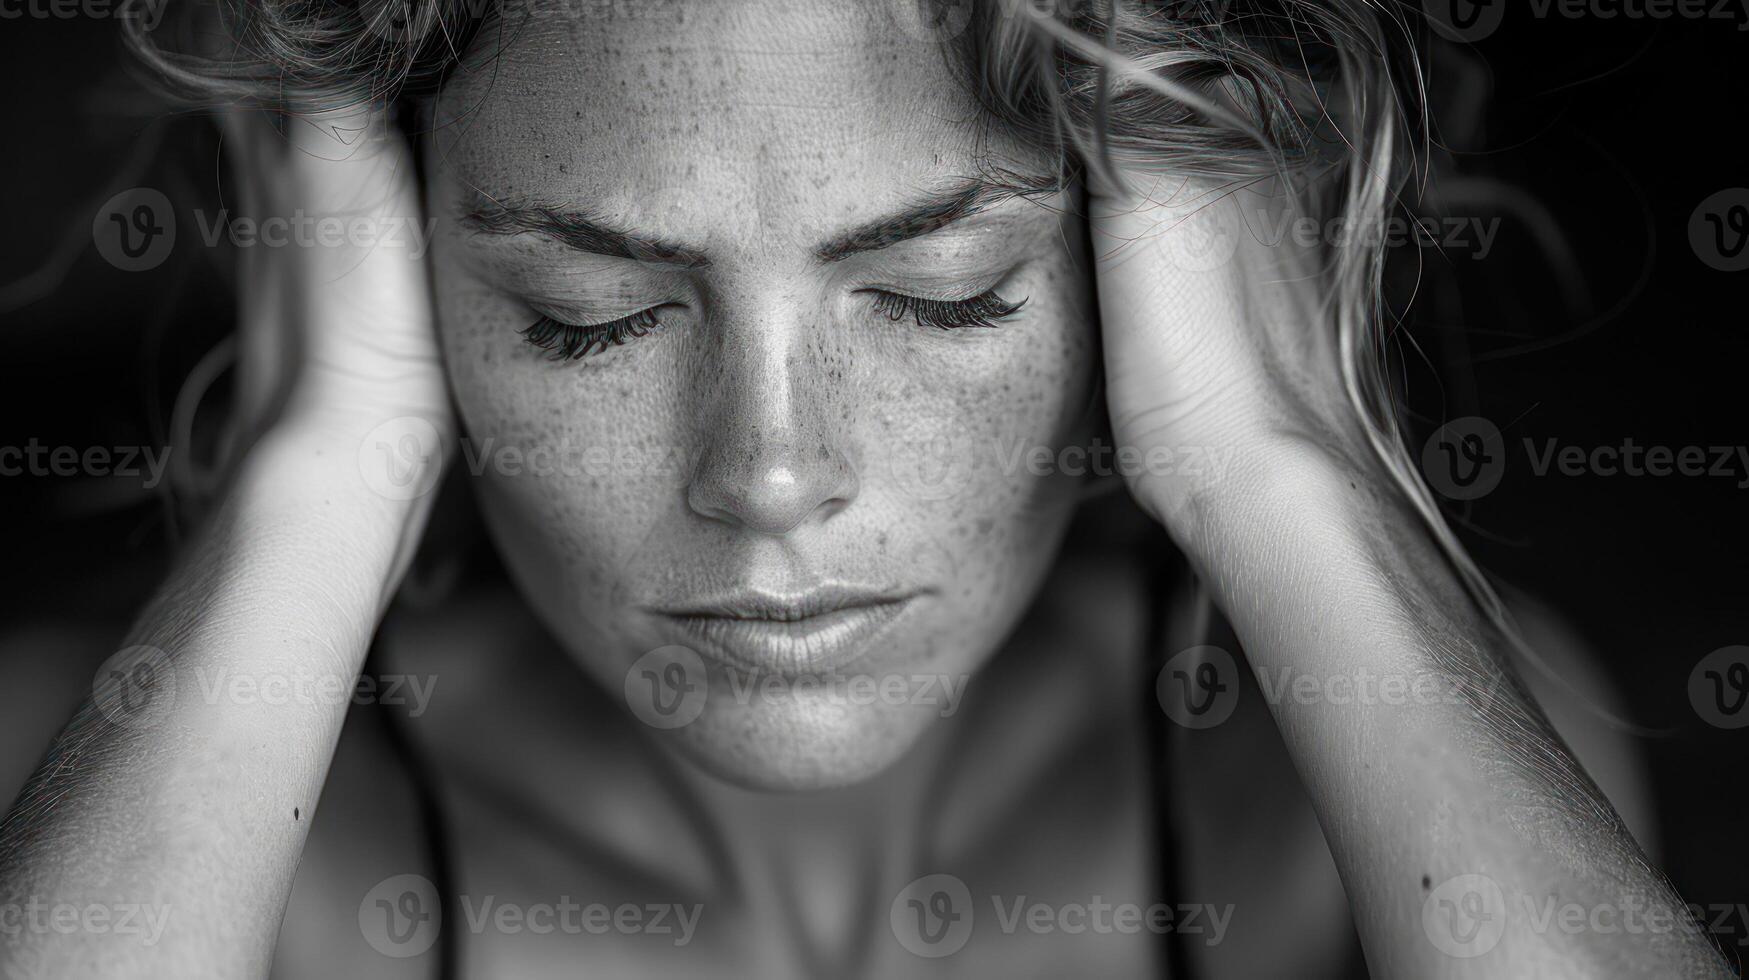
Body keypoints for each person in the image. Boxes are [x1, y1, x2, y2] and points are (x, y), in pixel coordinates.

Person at [0, 0, 1729, 976]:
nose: (767, 474)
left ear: (1165, 267)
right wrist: (318, 470)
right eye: (585, 316)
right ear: (387, 269)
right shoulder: (106, 791)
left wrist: (1282, 462)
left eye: (945, 293)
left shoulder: (1386, 796)